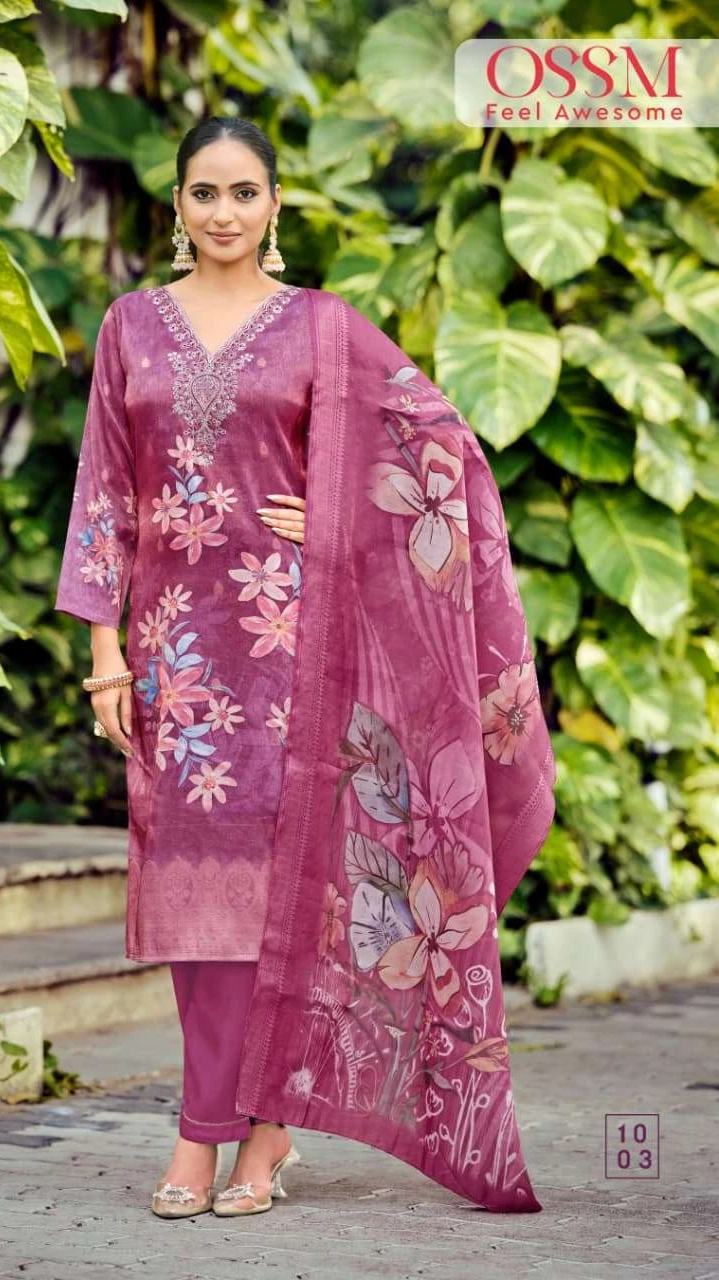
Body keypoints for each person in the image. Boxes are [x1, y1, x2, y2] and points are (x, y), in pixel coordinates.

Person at [55, 116, 556, 1221]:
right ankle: (221, 1124)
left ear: (274, 203)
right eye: (203, 193)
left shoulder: (323, 327)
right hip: (176, 660)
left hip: (292, 650)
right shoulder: (130, 325)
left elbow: (440, 449)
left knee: (278, 900)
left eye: (243, 192)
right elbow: (105, 490)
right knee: (194, 901)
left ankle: (245, 1136)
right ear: (177, 207)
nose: (223, 212)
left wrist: (335, 515)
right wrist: (103, 655)